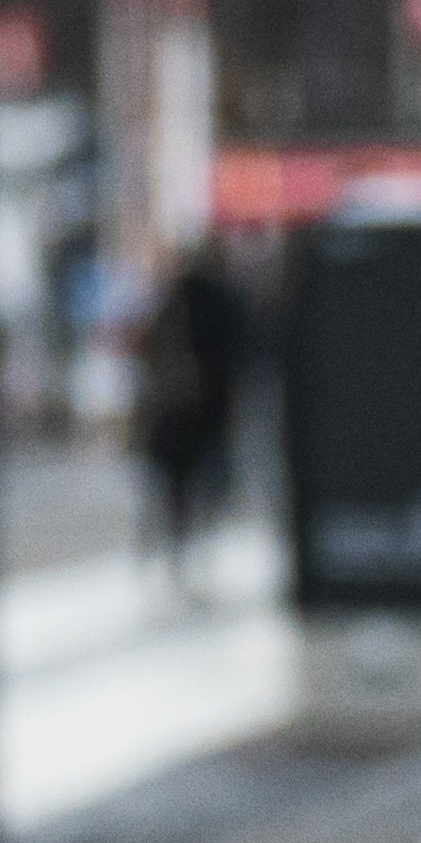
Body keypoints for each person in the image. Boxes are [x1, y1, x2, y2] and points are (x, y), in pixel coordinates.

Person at [135, 238, 248, 592]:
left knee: (175, 492)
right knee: (199, 488)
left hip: (173, 416)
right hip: (200, 415)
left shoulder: (170, 305)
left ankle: (177, 557)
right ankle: (191, 556)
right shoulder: (218, 304)